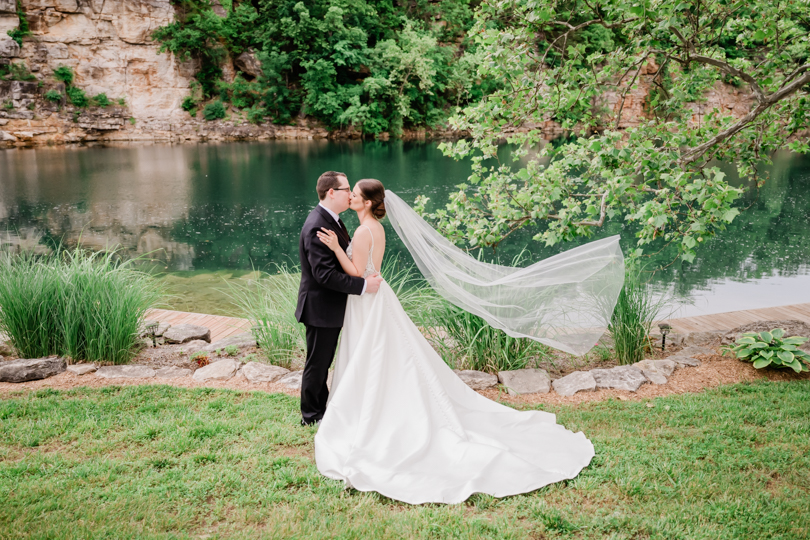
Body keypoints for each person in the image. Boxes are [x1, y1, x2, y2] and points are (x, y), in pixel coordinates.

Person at [312, 179, 596, 505]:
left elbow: (357, 272)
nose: (350, 196)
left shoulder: (364, 231)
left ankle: (372, 411)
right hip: (376, 297)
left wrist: (336, 248)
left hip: (367, 299)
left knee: (372, 354)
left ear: (366, 202)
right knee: (381, 355)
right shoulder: (375, 227)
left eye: (356, 194)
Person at [295, 171, 383, 426]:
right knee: (317, 363)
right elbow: (324, 275)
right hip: (320, 307)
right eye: (347, 190)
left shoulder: (333, 220)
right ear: (332, 192)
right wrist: (363, 285)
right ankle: (311, 416)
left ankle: (322, 408)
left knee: (324, 361)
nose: (350, 195)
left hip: (333, 306)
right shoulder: (317, 225)